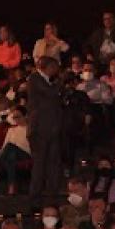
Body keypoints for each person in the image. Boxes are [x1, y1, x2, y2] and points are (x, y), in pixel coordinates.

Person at [27, 56, 65, 198]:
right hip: (39, 129)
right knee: (40, 163)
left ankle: (52, 193)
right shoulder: (34, 78)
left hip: (52, 128)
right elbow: (51, 93)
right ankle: (35, 196)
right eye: (54, 67)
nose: (56, 70)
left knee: (53, 163)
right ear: (47, 67)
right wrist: (60, 83)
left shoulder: (49, 81)